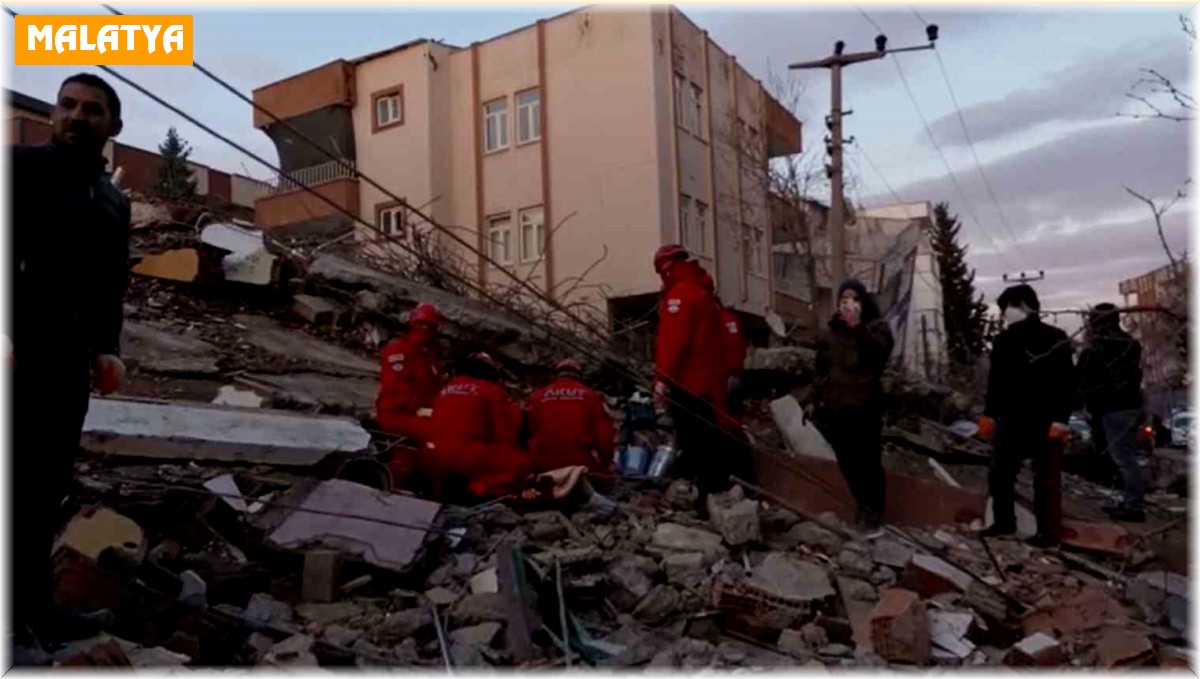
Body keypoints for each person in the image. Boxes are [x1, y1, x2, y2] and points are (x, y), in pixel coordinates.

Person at [10, 74, 130, 652]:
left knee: (41, 495)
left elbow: (110, 285)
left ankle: (34, 614)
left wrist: (108, 348)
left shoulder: (112, 201)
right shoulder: (19, 169)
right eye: (68, 105)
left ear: (114, 126)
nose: (77, 116)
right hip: (13, 355)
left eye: (92, 109)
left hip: (65, 369)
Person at [983, 284, 1077, 547]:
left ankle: (1047, 533)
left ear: (1024, 306)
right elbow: (996, 381)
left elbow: (1067, 383)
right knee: (1001, 473)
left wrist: (1062, 419)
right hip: (1014, 418)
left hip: (1042, 419)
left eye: (1007, 308)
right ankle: (1005, 524)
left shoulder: (1054, 337)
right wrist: (990, 413)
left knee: (1044, 479)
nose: (1004, 314)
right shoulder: (1004, 340)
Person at [652, 245, 743, 506]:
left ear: (667, 269)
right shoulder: (701, 292)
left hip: (689, 383)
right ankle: (713, 491)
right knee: (710, 438)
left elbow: (673, 341)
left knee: (693, 440)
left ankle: (702, 495)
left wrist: (662, 379)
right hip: (710, 383)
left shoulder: (680, 294)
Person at [810, 280, 895, 530]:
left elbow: (878, 357)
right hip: (837, 408)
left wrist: (858, 329)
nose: (850, 304)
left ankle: (872, 513)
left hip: (864, 407)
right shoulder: (832, 334)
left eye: (855, 299)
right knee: (847, 462)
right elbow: (821, 370)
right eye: (845, 299)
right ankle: (862, 504)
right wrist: (814, 401)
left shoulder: (876, 329)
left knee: (867, 461)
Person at [422, 352, 533, 502]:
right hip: (468, 454)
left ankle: (438, 491)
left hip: (434, 455)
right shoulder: (491, 390)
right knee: (521, 463)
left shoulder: (445, 389)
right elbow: (506, 435)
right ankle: (474, 491)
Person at [1077, 303, 1145, 522]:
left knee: (1123, 458)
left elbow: (1083, 378)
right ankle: (1128, 500)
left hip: (1112, 408)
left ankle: (1133, 506)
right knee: (1124, 456)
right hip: (1129, 405)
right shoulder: (1131, 344)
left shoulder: (1097, 348)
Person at [527, 359, 615, 476]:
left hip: (543, 464)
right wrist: (606, 462)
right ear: (578, 376)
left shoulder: (537, 397)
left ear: (556, 375)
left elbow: (528, 430)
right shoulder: (591, 396)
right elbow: (604, 436)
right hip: (579, 464)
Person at [376, 302, 443, 441]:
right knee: (442, 434)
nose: (425, 329)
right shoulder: (398, 351)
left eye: (430, 326)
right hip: (396, 415)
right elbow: (396, 390)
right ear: (413, 325)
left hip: (417, 414)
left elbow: (435, 390)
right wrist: (420, 409)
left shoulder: (429, 357)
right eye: (422, 324)